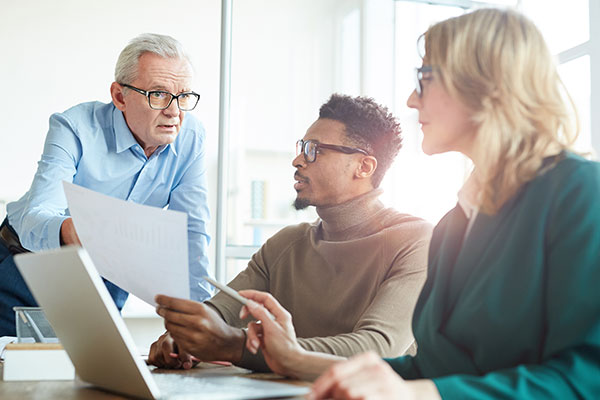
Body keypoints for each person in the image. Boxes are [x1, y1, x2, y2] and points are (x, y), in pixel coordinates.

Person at [236, 8, 600, 399]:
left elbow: (585, 379)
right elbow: (432, 370)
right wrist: (293, 358)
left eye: (424, 79)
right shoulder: (454, 227)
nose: (411, 100)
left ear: (486, 85)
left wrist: (419, 394)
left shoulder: (580, 193)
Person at [151, 94, 433, 371]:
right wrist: (186, 335)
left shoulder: (416, 241)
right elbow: (222, 311)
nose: (297, 160)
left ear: (364, 166)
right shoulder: (284, 245)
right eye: (301, 147)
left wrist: (233, 346)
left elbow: (379, 349)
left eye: (314, 149)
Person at [0, 33, 212, 335]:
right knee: (13, 373)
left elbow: (192, 234)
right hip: (27, 264)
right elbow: (39, 213)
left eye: (184, 96)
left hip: (106, 275)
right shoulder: (74, 126)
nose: (175, 112)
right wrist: (71, 229)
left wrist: (200, 323)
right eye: (159, 94)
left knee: (97, 373)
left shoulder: (191, 137)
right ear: (120, 96)